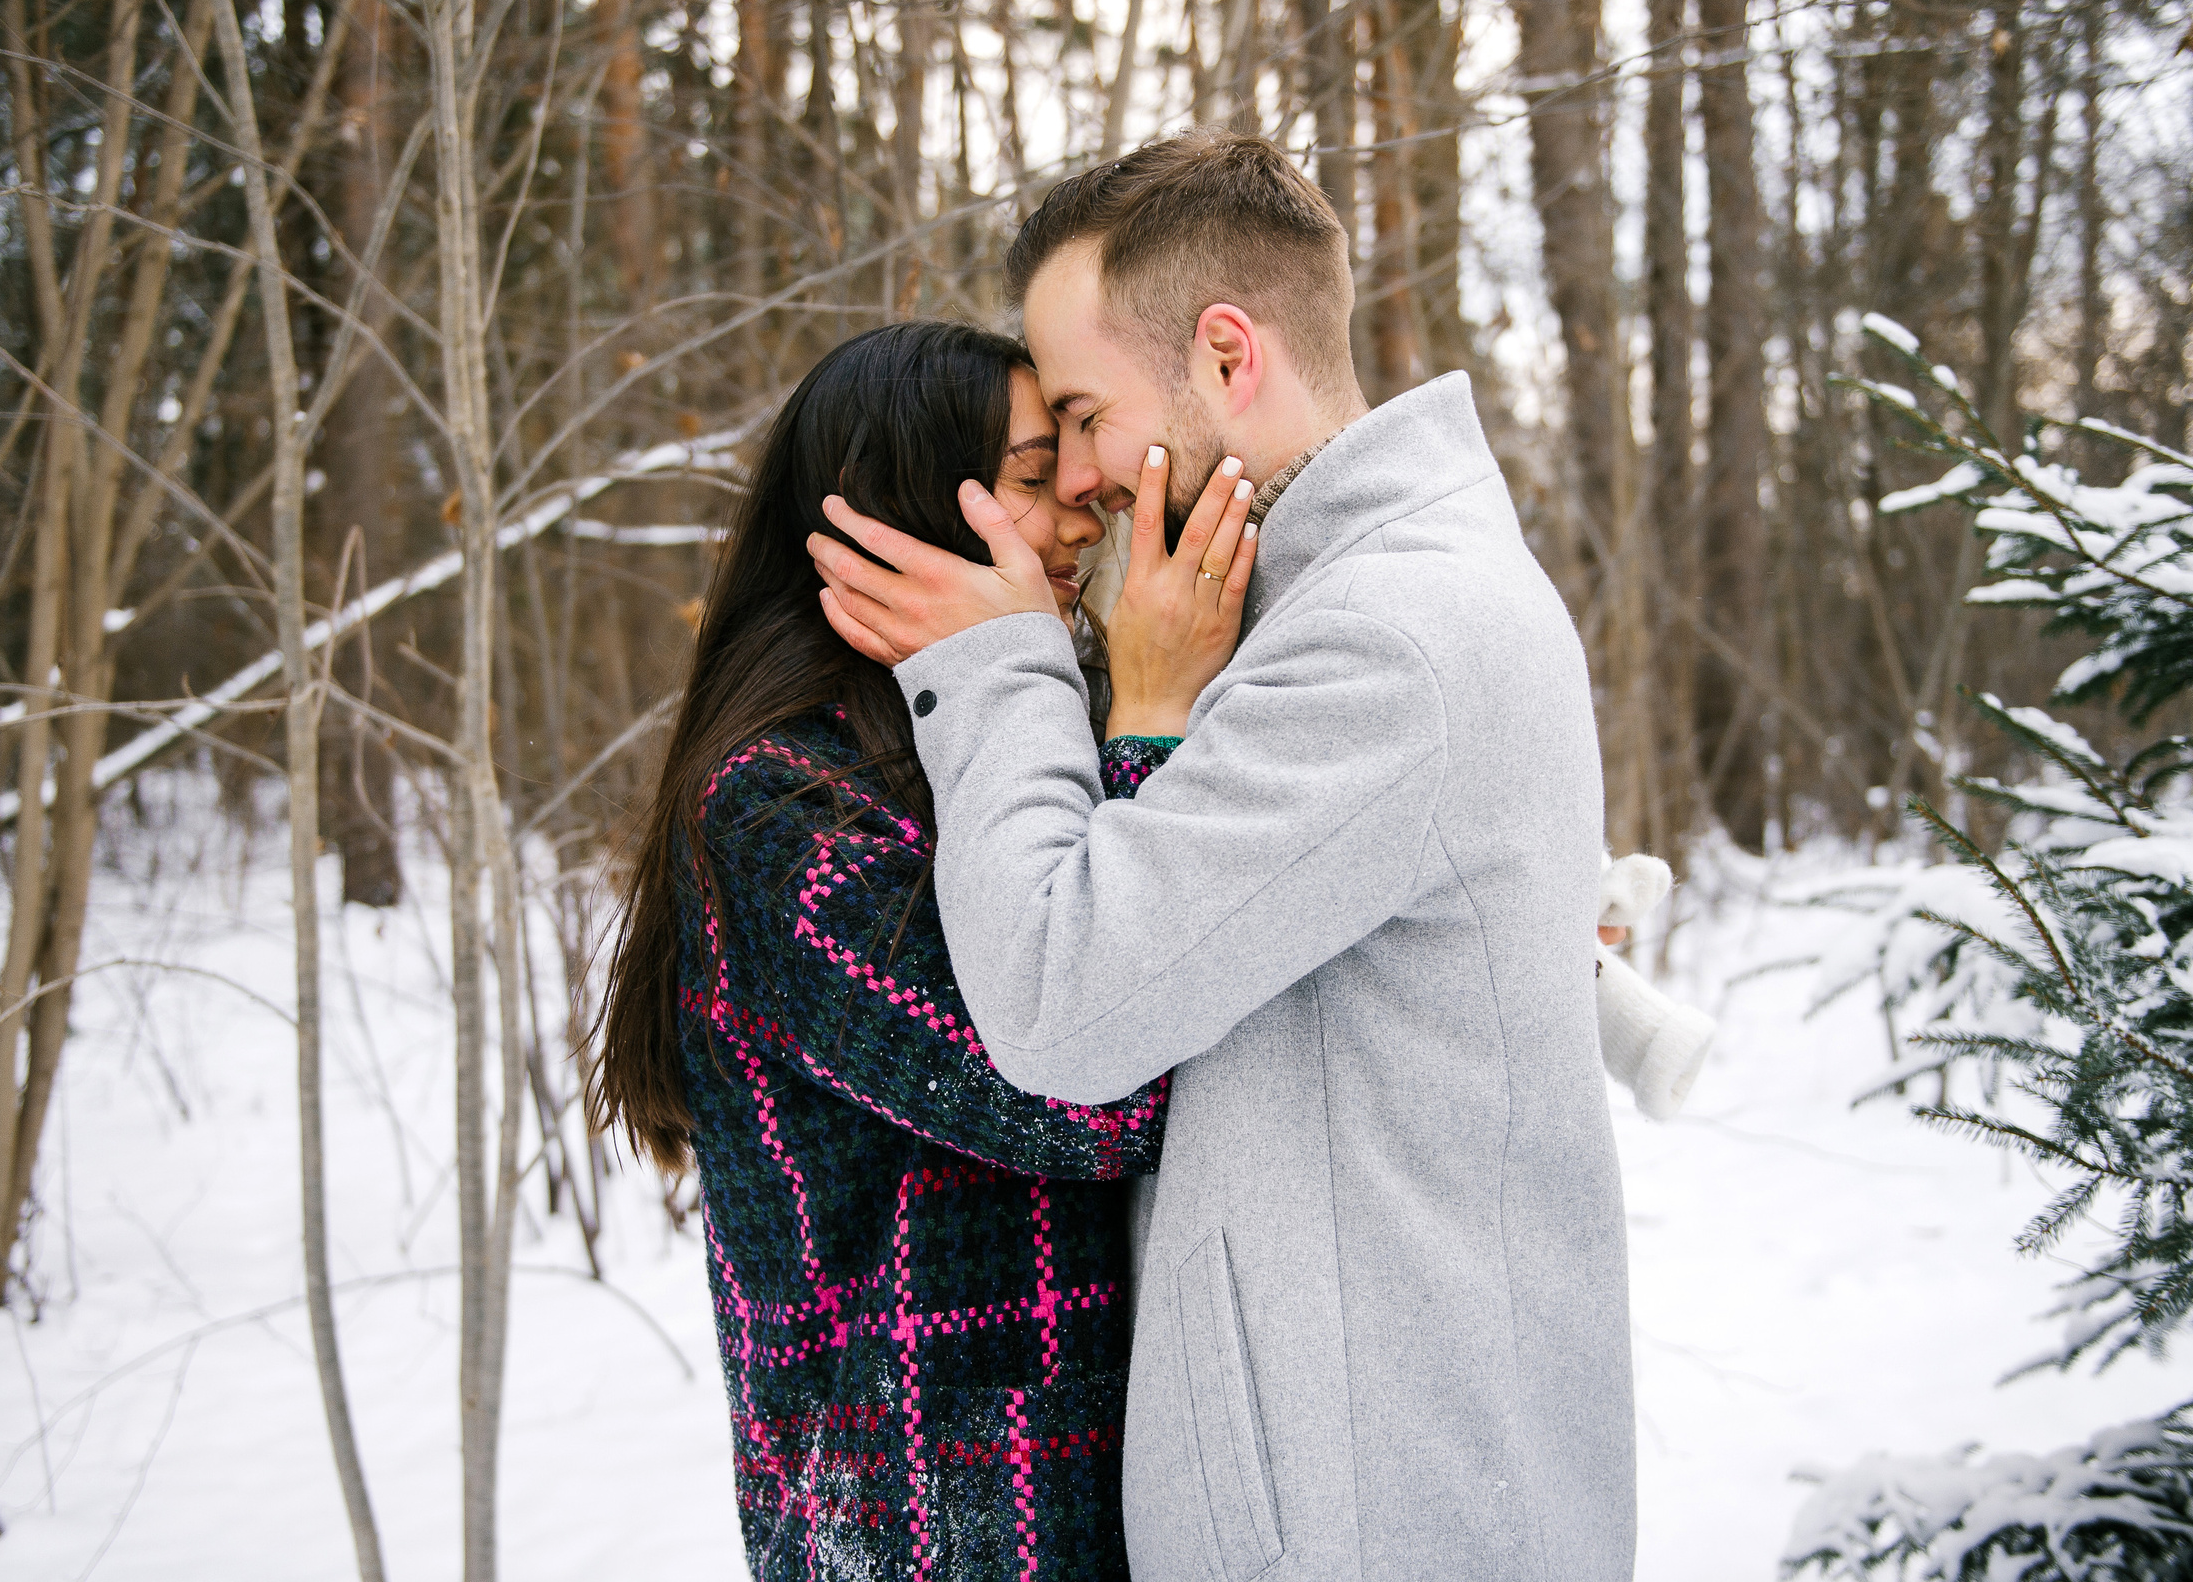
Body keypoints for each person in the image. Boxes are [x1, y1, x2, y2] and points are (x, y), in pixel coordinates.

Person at [809, 131, 1638, 1580]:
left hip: (1372, 1511)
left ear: (1227, 355)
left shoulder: (1383, 640)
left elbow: (1066, 1008)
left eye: (1080, 410)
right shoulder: (1371, 599)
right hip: (1378, 1476)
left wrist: (993, 666)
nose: (1069, 474)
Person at [587, 321, 1249, 1581]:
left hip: (1085, 1467)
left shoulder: (1005, 737)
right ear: (897, 502)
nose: (1079, 508)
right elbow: (1089, 1096)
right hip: (929, 1514)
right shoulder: (779, 809)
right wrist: (1153, 726)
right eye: (1025, 471)